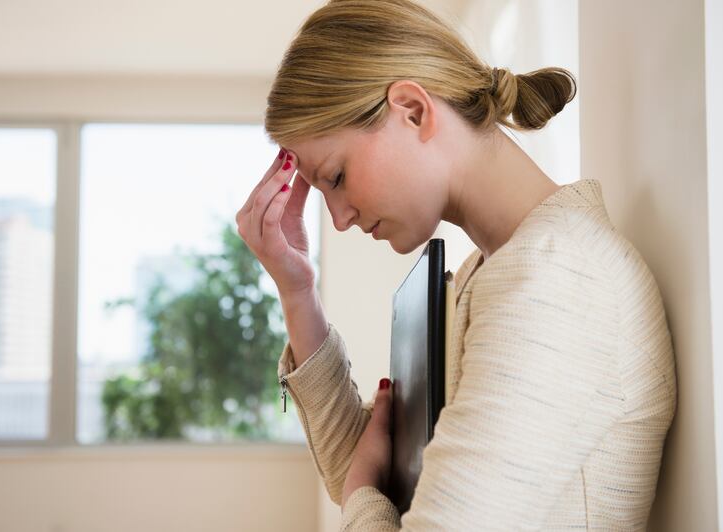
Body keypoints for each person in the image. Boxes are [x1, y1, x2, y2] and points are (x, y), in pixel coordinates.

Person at [235, 0, 677, 529]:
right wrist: (296, 289)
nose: (340, 218)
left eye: (335, 177)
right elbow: (368, 475)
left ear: (414, 111)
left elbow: (366, 494)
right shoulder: (490, 275)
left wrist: (361, 497)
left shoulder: (556, 281)